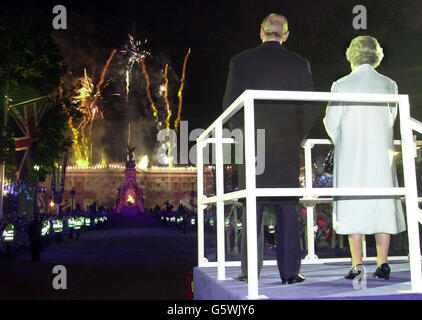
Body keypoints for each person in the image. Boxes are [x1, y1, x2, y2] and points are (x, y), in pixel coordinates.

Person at [222, 13, 320, 284]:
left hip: (253, 145)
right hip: (286, 146)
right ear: (286, 35)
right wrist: (294, 136)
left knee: (251, 207)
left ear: (261, 32)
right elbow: (311, 107)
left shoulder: (240, 61)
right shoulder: (300, 63)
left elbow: (230, 108)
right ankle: (289, 273)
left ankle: (249, 271)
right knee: (287, 210)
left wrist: (245, 136)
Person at [323, 36, 406, 280]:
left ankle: (357, 264)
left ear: (351, 55)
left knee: (353, 202)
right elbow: (391, 118)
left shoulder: (342, 84)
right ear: (377, 56)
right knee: (382, 202)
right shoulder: (390, 84)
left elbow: (331, 123)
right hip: (381, 154)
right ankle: (383, 262)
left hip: (352, 154)